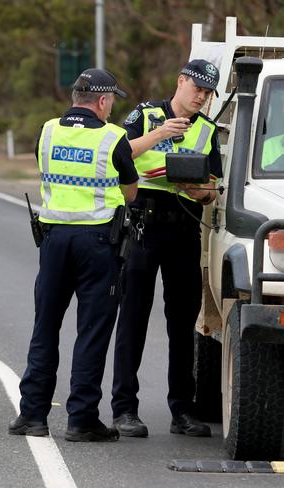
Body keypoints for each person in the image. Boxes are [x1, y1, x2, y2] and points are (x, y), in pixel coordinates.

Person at [8, 69, 138, 442]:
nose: (111, 106)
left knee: (45, 326)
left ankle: (32, 414)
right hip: (98, 244)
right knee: (92, 332)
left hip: (53, 241)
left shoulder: (48, 131)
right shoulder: (113, 137)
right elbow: (130, 191)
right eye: (111, 99)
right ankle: (81, 419)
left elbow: (44, 170)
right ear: (101, 100)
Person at [111, 59, 223, 438]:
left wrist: (197, 189)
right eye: (198, 89)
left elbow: (211, 191)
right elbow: (119, 154)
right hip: (145, 226)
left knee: (182, 323)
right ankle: (124, 409)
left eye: (209, 93)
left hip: (184, 229)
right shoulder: (145, 114)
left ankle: (182, 411)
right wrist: (160, 135)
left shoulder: (207, 131)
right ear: (181, 82)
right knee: (133, 319)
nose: (202, 97)